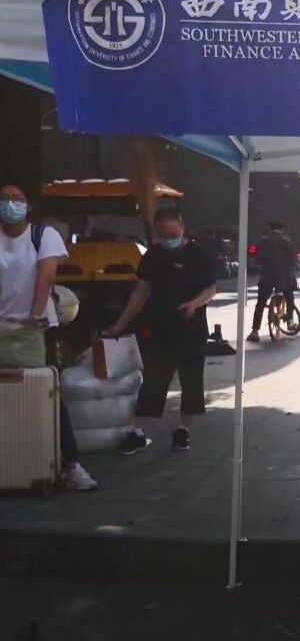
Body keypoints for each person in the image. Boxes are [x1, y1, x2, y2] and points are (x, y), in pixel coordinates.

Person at [0, 183, 97, 491]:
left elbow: (46, 275)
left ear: (29, 206)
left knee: (48, 392)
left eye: (17, 198)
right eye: (4, 199)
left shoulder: (44, 236)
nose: (10, 204)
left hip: (37, 329)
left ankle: (71, 464)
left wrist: (33, 317)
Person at [109, 207, 217, 455]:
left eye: (173, 234)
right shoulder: (154, 255)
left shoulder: (198, 254)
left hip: (191, 330)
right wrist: (121, 323)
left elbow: (211, 289)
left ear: (182, 226)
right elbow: (141, 291)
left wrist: (194, 304)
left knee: (191, 382)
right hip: (159, 328)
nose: (169, 239)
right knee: (153, 381)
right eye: (164, 235)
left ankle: (183, 430)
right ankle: (139, 432)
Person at [247, 220, 298, 342]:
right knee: (289, 297)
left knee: (260, 303)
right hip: (284, 277)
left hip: (267, 277)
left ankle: (255, 331)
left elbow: (257, 259)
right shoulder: (288, 242)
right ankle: (290, 321)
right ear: (282, 229)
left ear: (269, 229)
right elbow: (293, 260)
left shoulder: (263, 242)